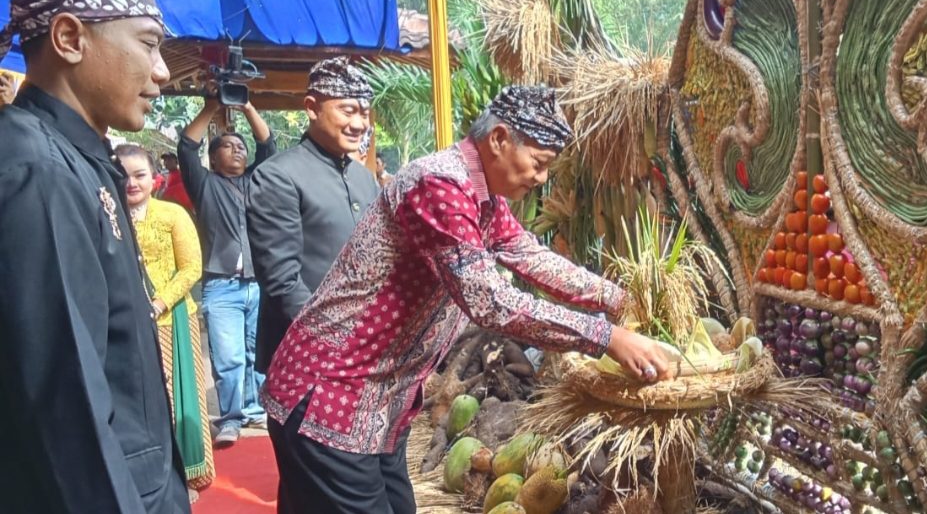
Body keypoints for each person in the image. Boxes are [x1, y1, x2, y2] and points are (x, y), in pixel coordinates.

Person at [261, 85, 673, 514]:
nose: (542, 179)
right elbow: (489, 300)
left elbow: (529, 256)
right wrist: (605, 336)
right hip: (332, 397)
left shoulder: (484, 201)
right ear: (498, 140)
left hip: (375, 407)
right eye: (539, 163)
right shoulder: (439, 184)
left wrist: (618, 296)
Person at [0, 0, 189, 512]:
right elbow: (69, 409)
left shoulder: (80, 160)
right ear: (69, 38)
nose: (162, 72)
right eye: (149, 45)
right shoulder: (37, 170)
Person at [247, 56, 381, 375]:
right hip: (304, 361)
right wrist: (337, 342)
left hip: (363, 358)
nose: (359, 123)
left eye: (364, 112)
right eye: (347, 110)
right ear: (312, 107)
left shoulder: (365, 179)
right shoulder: (278, 176)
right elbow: (283, 281)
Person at [117, 144, 216, 497]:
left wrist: (159, 303)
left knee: (177, 396)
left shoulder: (172, 214)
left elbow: (191, 268)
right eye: (124, 175)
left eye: (140, 175)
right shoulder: (109, 216)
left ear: (154, 178)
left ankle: (188, 472)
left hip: (171, 320)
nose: (131, 183)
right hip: (126, 324)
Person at [177, 95, 276, 447]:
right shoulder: (204, 186)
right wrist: (211, 107)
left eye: (240, 146)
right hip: (221, 285)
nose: (238, 150)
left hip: (256, 283)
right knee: (229, 355)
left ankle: (255, 410)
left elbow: (267, 145)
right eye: (229, 146)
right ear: (213, 157)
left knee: (256, 352)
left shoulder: (255, 182)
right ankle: (231, 418)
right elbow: (187, 147)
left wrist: (248, 106)